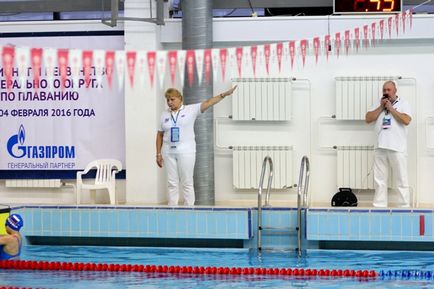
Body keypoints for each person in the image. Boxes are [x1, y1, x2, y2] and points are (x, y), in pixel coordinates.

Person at [156, 86, 237, 206]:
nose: (169, 102)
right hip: (168, 151)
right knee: (172, 182)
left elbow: (208, 102)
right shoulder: (164, 115)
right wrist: (158, 154)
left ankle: (189, 208)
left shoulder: (191, 110)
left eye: (172, 99)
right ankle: (172, 207)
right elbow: (159, 135)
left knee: (187, 181)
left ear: (180, 98)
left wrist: (224, 94)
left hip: (186, 151)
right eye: (167, 100)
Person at [365, 80, 412, 208]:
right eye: (384, 90)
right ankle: (379, 205)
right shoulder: (379, 103)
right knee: (379, 179)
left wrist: (391, 109)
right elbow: (368, 118)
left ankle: (404, 206)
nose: (386, 92)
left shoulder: (404, 103)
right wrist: (381, 107)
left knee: (401, 179)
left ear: (395, 91)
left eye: (389, 90)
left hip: (397, 148)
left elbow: (406, 120)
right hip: (380, 146)